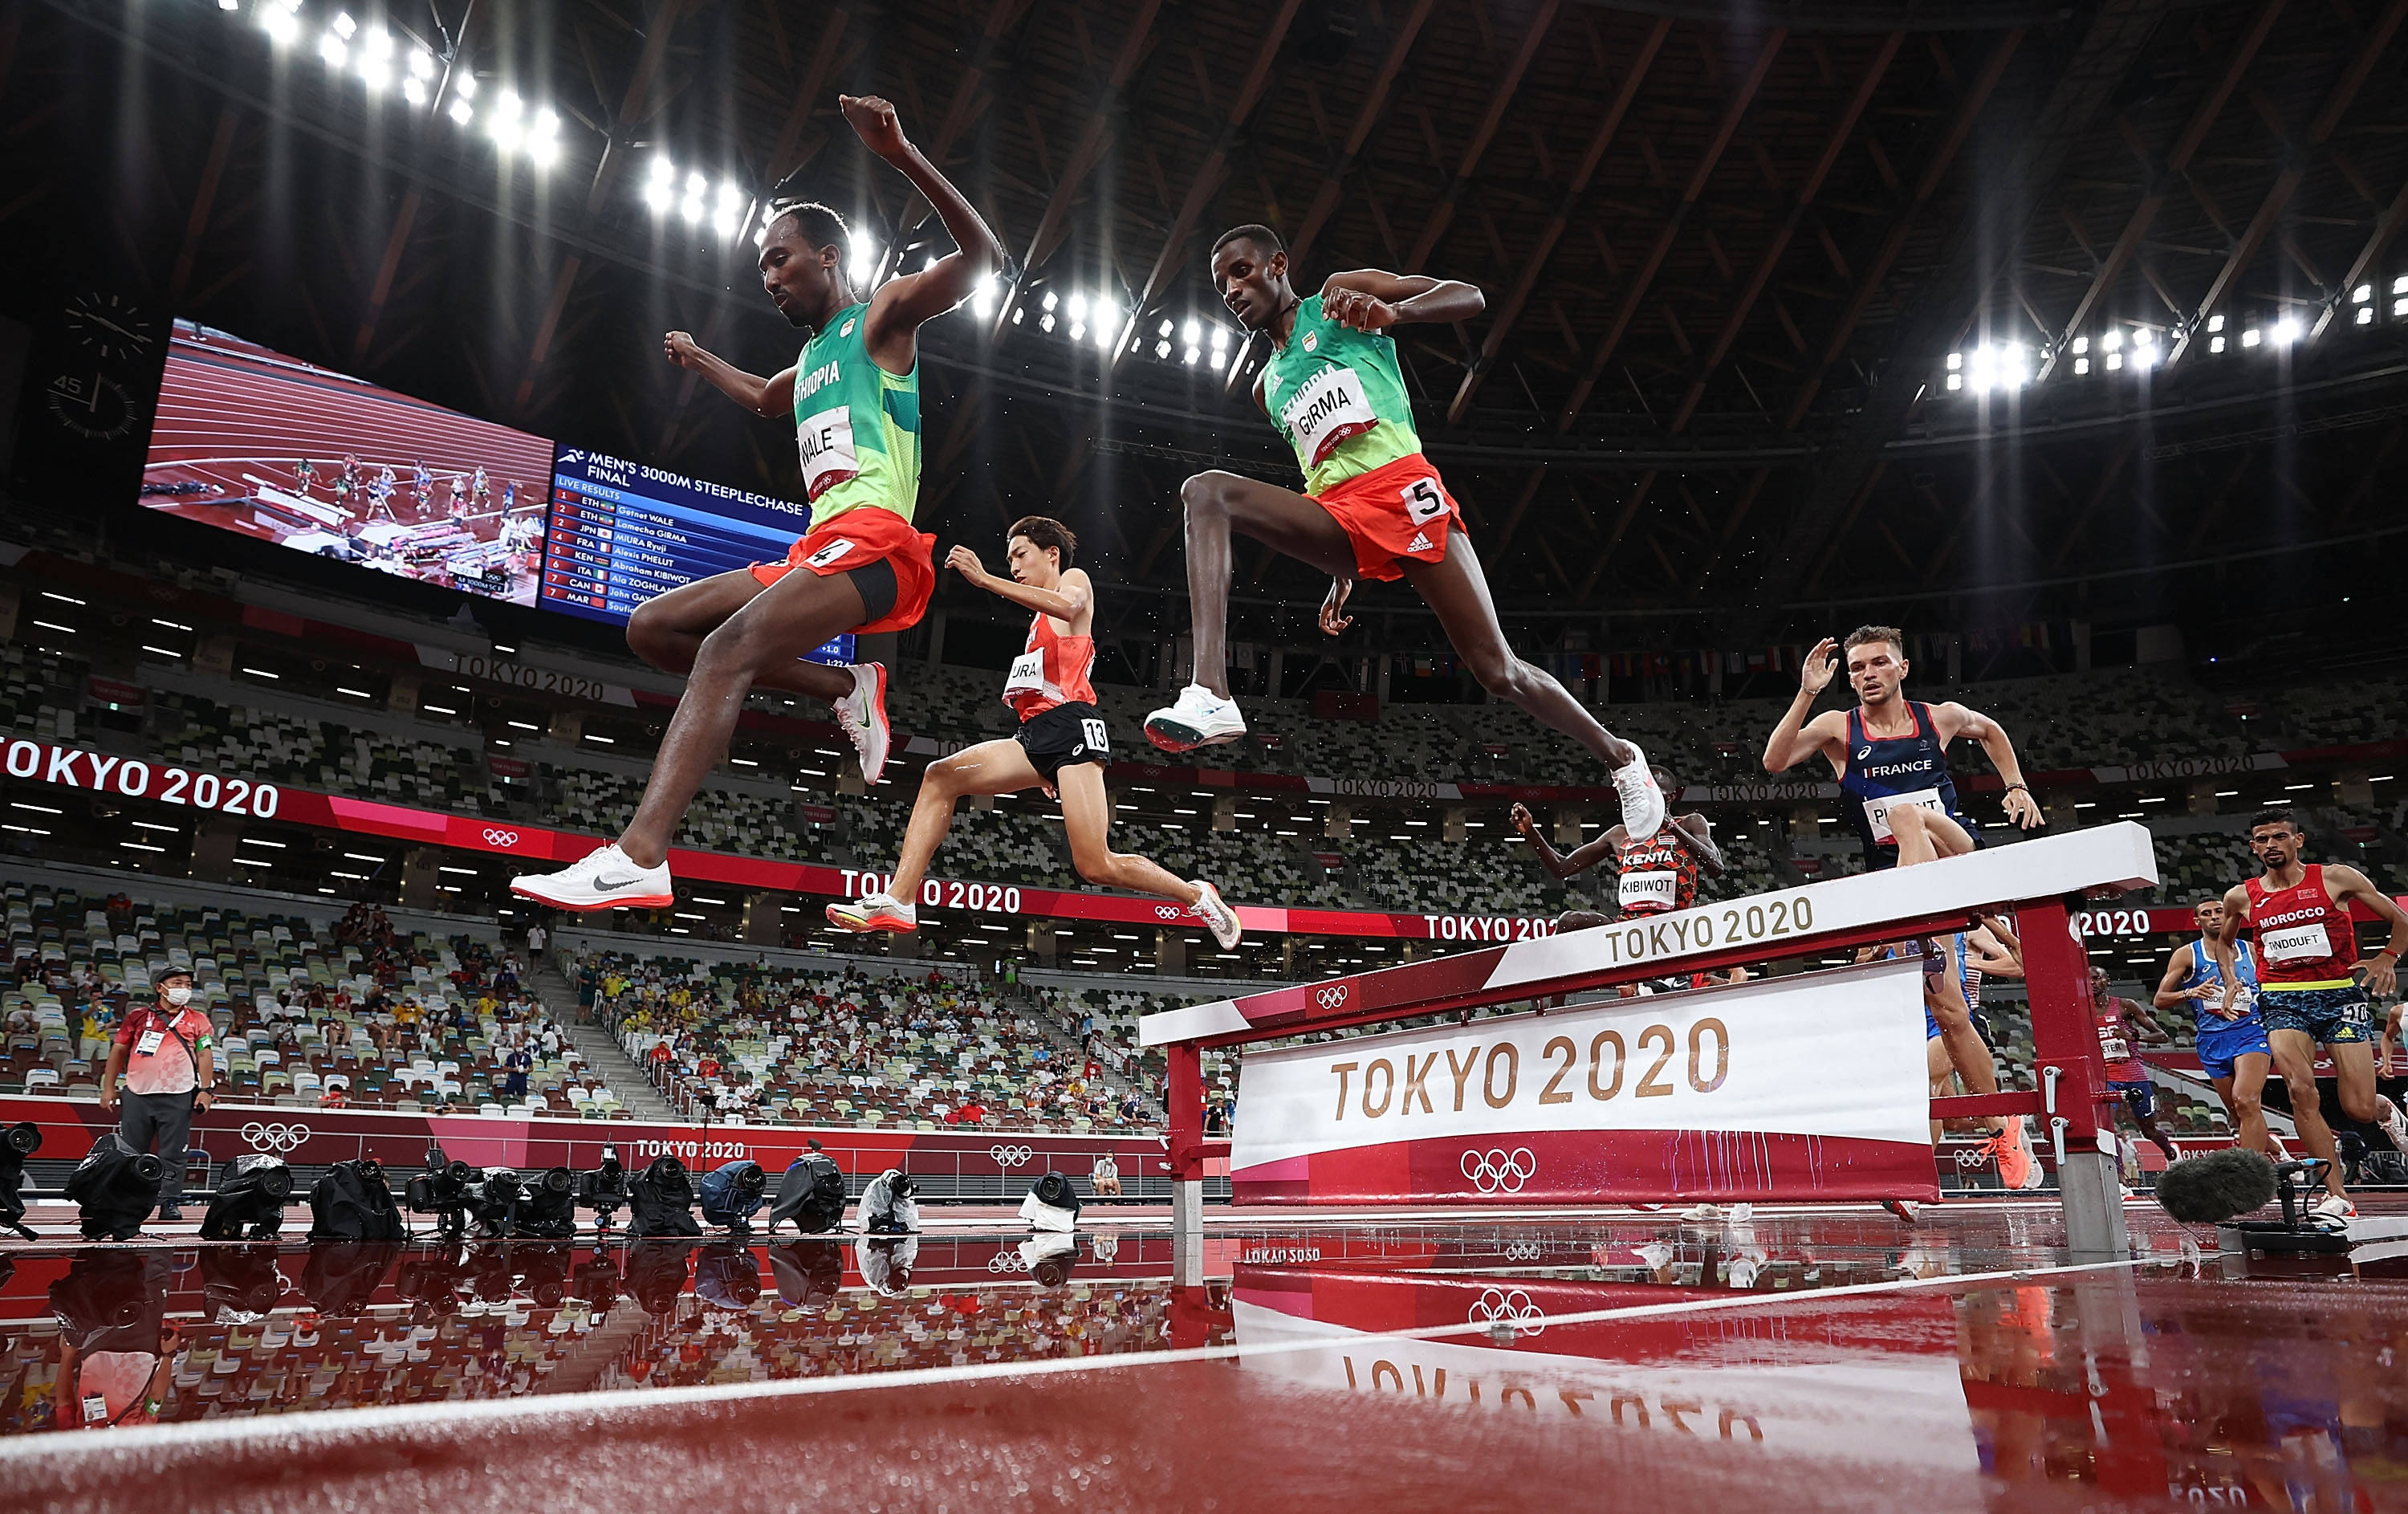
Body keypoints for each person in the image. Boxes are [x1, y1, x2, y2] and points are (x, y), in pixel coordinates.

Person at [512, 93, 1006, 914]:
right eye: (762, 270)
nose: (771, 278)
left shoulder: (881, 320)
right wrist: (700, 357)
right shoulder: (809, 362)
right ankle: (845, 684)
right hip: (818, 545)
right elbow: (764, 398)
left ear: (829, 256)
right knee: (654, 628)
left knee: (723, 652)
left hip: (877, 543)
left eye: (782, 260)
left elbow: (984, 258)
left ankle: (640, 856)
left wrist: (901, 154)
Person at [1141, 225, 1666, 839]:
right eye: (1220, 285)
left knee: (1498, 671)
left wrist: (1396, 312)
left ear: (1277, 264)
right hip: (1339, 512)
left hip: (1403, 489)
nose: (1231, 291)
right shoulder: (1267, 387)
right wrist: (1340, 573)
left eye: (1240, 271)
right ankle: (1211, 691)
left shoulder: (1337, 298)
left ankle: (1620, 758)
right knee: (1206, 491)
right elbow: (1319, 465)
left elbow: (1469, 296)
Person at [827, 517, 1243, 949]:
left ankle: (1198, 896)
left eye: (1020, 554)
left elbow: (1069, 608)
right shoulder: (1038, 619)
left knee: (1096, 865)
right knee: (940, 776)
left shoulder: (1074, 581)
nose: (1013, 566)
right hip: (1033, 736)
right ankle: (899, 900)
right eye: (1008, 560)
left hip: (1073, 729)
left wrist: (985, 580)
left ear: (1052, 553)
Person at [2211, 807, 2408, 1222]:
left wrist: (2388, 957)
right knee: (2301, 1090)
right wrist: (2230, 981)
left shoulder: (2336, 878)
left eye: (2279, 836)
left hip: (2339, 997)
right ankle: (2336, 1195)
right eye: (2262, 839)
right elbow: (2224, 944)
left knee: (2359, 1108)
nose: (2271, 845)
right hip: (2282, 999)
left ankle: (2386, 1112)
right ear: (2253, 847)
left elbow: (2400, 919)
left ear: (2297, 840)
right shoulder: (2241, 897)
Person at [1761, 627, 2044, 869]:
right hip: (1888, 861)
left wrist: (2016, 786)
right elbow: (1774, 761)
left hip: (1953, 846)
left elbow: (1990, 730)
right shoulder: (1838, 727)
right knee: (1905, 820)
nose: (1869, 674)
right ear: (1850, 679)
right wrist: (1807, 691)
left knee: (1906, 814)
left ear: (1903, 668)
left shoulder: (1939, 717)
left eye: (1880, 663)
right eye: (1858, 668)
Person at [1511, 795, 1738, 991]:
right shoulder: (1620, 834)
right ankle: (1555, 1012)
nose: (1642, 794)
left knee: (1683, 989)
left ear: (1669, 797)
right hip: (1628, 934)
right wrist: (1530, 832)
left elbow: (1716, 867)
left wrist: (1671, 827)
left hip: (1673, 933)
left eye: (1650, 789)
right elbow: (1562, 868)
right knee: (1569, 921)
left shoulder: (1690, 823)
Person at [2154, 895, 2276, 1155]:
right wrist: (2190, 992)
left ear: (2228, 914)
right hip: (2212, 1039)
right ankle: (2277, 1150)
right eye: (2207, 914)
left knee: (2246, 1100)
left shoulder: (2251, 951)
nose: (2215, 917)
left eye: (2219, 911)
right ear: (2197, 921)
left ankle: (2251, 1171)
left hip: (2251, 1033)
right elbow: (2160, 1000)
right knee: (2239, 1114)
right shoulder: (2187, 954)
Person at [96, 966, 217, 1223]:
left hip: (178, 1094)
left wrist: (205, 1090)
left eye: (188, 984)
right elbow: (118, 1051)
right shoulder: (137, 1017)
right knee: (131, 1152)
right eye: (177, 983)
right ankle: (130, 1202)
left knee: (174, 1154)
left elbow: (205, 1054)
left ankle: (168, 1201)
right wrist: (108, 1088)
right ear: (160, 988)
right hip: (137, 1093)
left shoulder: (198, 1020)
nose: (184, 989)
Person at [2089, 967, 2180, 1183]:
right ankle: (2119, 1177)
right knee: (2105, 1126)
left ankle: (2171, 1153)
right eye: (2088, 979)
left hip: (2134, 1075)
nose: (2092, 983)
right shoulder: (2084, 1011)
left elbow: (2162, 1036)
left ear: (2107, 981)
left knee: (2149, 1130)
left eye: (2097, 978)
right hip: (2106, 1078)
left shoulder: (2125, 1006)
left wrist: (2133, 1037)